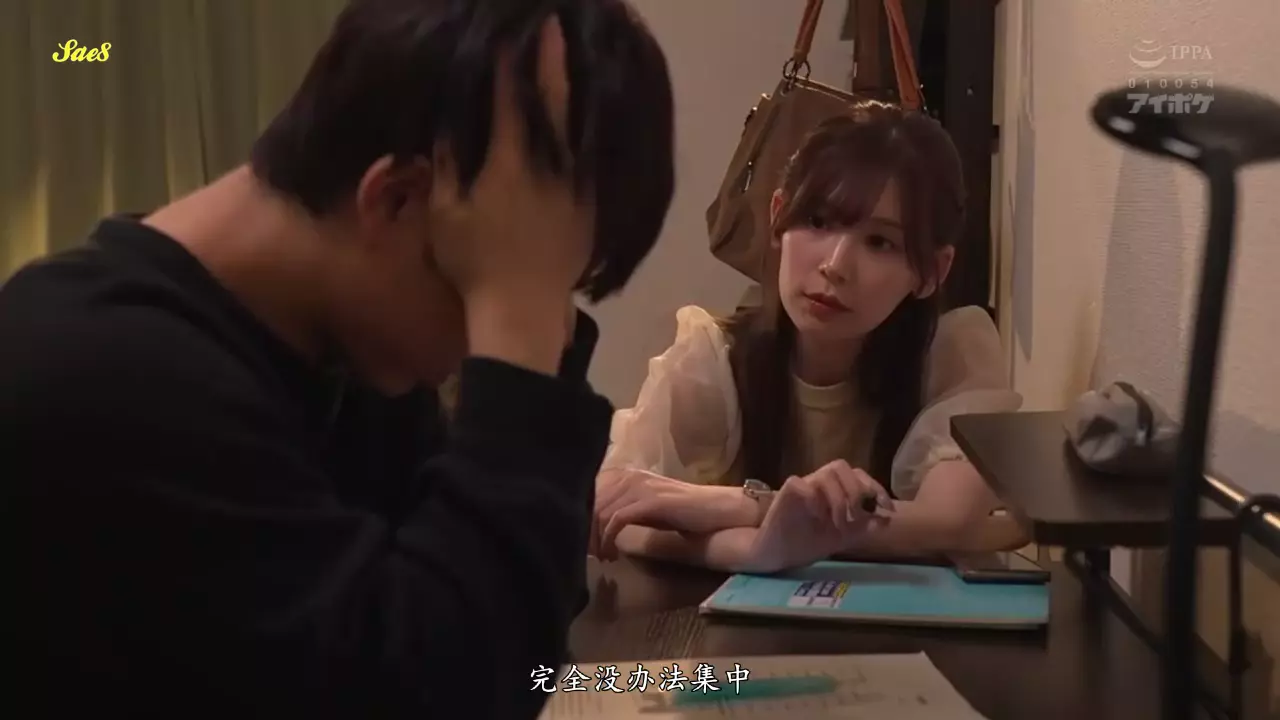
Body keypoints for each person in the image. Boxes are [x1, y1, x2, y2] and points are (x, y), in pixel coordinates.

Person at [0, 1, 673, 718]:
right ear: (395, 201)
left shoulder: (347, 359)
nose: (496, 333)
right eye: (504, 279)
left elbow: (516, 639)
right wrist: (517, 334)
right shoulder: (99, 376)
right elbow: (447, 692)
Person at [591, 101, 1027, 573]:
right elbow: (619, 510)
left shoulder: (951, 357)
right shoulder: (715, 361)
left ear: (932, 272)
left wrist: (743, 506)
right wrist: (758, 549)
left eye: (880, 242)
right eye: (818, 221)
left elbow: (946, 522)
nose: (835, 265)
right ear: (779, 216)